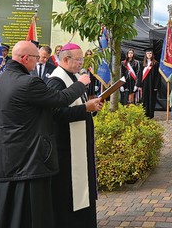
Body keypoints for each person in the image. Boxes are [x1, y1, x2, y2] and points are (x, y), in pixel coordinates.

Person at [0, 40, 91, 228]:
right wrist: (81, 84)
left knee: (4, 210)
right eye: (36, 58)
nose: (38, 62)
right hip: (28, 160)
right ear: (25, 58)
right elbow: (60, 99)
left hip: (2, 159)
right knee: (30, 214)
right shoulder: (28, 82)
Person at [47, 43, 104, 228]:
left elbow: (80, 104)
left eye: (82, 59)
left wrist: (92, 107)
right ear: (65, 59)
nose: (82, 63)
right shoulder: (56, 81)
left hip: (79, 144)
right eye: (78, 59)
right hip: (66, 147)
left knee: (82, 190)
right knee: (68, 192)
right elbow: (55, 114)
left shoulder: (75, 77)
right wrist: (85, 108)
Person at [137, 48, 160, 118]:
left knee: (151, 99)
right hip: (144, 84)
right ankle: (144, 113)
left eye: (150, 53)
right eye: (147, 53)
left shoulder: (156, 64)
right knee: (144, 99)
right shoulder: (142, 64)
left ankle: (150, 114)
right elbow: (140, 74)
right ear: (145, 55)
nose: (149, 55)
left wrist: (156, 86)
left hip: (152, 84)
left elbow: (157, 76)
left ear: (152, 54)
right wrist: (139, 84)